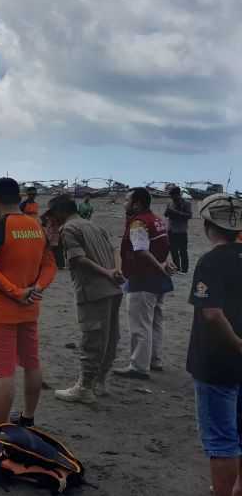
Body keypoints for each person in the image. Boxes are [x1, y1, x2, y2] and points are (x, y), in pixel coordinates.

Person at [0, 178, 57, 426]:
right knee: (32, 363)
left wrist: (16, 292)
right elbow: (49, 265)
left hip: (3, 311)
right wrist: (36, 289)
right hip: (30, 308)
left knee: (4, 373)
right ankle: (28, 417)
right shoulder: (36, 226)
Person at [187, 194, 242, 496]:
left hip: (217, 360)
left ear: (209, 225)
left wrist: (236, 343)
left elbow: (211, 313)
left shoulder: (211, 261)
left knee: (221, 439)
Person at [44, 195, 124, 404]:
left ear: (60, 212)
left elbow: (79, 259)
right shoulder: (94, 226)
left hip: (93, 290)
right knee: (110, 337)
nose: (52, 219)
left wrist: (106, 273)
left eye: (53, 214)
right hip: (113, 289)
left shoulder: (69, 229)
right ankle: (100, 382)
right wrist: (115, 271)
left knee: (93, 337)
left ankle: (85, 387)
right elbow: (115, 249)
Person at [114, 187, 175, 380]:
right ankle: (154, 360)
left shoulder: (139, 222)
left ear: (137, 204)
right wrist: (165, 267)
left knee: (140, 325)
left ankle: (139, 366)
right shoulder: (157, 220)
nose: (124, 203)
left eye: (127, 200)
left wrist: (160, 268)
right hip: (159, 281)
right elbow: (165, 246)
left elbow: (141, 251)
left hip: (143, 278)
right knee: (155, 321)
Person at [165, 186, 192, 274]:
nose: (172, 198)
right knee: (173, 251)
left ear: (178, 194)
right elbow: (166, 214)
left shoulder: (186, 203)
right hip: (171, 230)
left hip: (181, 230)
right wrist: (168, 212)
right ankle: (177, 268)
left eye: (173, 196)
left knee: (183, 251)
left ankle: (184, 270)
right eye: (171, 196)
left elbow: (189, 216)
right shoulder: (170, 203)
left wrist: (175, 212)